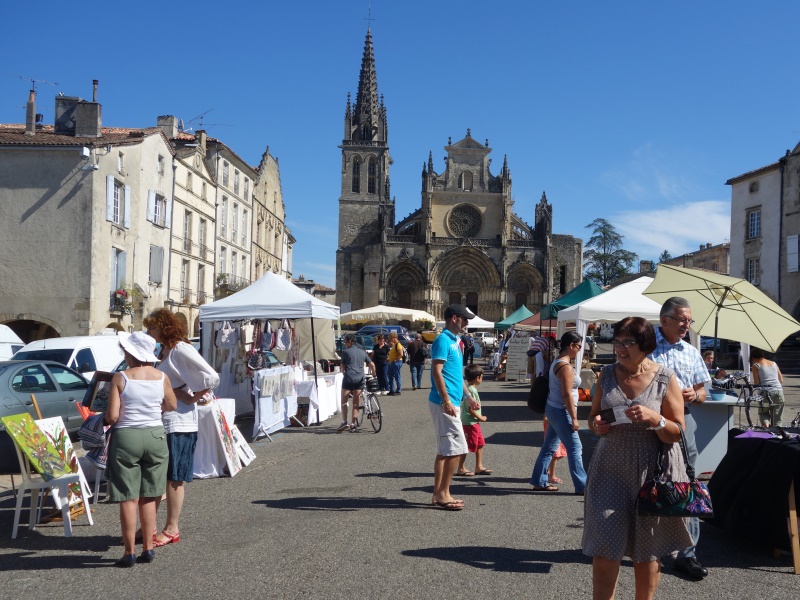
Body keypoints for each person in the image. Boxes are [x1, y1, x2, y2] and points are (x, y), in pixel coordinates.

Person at [584, 317, 691, 600]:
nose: (620, 348)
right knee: (605, 549)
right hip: (609, 470)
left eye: (627, 343)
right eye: (617, 342)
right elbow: (593, 417)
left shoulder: (665, 377)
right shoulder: (606, 374)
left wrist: (656, 419)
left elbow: (678, 431)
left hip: (651, 474)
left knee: (647, 553)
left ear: (644, 344)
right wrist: (597, 425)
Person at [144, 309, 220, 548]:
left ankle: (172, 527)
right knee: (161, 475)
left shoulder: (180, 349)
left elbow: (211, 376)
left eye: (152, 327)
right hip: (166, 421)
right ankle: (149, 527)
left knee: (175, 477)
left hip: (180, 422)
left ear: (164, 327)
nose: (148, 332)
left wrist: (191, 397)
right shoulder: (165, 350)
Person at [648, 297, 711, 580]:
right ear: (665, 320)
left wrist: (695, 395)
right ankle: (649, 548)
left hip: (684, 420)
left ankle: (688, 554)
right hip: (649, 422)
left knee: (688, 483)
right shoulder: (644, 345)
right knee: (648, 481)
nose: (687, 325)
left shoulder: (691, 351)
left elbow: (702, 392)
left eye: (689, 321)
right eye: (683, 320)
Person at [106, 332, 177, 567]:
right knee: (149, 495)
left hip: (127, 436)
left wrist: (103, 418)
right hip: (155, 435)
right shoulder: (161, 376)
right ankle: (148, 548)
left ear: (131, 354)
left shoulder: (121, 377)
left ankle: (129, 552)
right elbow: (172, 404)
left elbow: (113, 416)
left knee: (128, 496)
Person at [428, 304, 480, 510]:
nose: (467, 323)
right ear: (455, 318)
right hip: (444, 402)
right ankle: (443, 494)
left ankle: (438, 493)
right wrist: (447, 400)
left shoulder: (456, 341)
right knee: (456, 449)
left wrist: (467, 396)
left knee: (444, 450)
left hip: (450, 401)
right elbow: (437, 372)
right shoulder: (442, 340)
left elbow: (457, 374)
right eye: (465, 319)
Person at [529, 331, 587, 494]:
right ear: (571, 346)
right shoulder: (565, 367)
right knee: (575, 448)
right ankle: (582, 485)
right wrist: (574, 418)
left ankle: (539, 480)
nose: (579, 350)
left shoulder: (557, 362)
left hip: (553, 408)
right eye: (578, 346)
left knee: (549, 447)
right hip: (562, 411)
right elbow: (567, 394)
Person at [456, 364, 492, 476]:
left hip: (474, 422)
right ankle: (461, 467)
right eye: (482, 376)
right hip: (470, 423)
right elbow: (471, 409)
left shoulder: (470, 389)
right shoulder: (472, 391)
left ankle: (479, 466)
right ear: (478, 377)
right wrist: (481, 417)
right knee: (466, 445)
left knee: (480, 443)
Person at [338, 334, 376, 432]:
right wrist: (374, 374)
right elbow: (372, 364)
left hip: (349, 378)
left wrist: (343, 374)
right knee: (355, 403)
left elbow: (342, 367)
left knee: (344, 401)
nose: (344, 343)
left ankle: (344, 422)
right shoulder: (362, 352)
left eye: (345, 342)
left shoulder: (345, 352)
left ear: (350, 341)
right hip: (360, 379)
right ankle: (353, 424)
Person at [750, 347, 784, 427]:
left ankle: (766, 425)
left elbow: (757, 383)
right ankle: (778, 434)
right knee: (778, 417)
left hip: (765, 392)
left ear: (753, 358)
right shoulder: (774, 363)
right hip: (778, 391)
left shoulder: (756, 365)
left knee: (763, 413)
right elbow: (781, 380)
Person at [386, 331, 405, 396]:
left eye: (391, 338)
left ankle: (398, 390)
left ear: (394, 337)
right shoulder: (395, 345)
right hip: (393, 362)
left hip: (396, 362)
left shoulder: (398, 344)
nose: (390, 339)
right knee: (390, 376)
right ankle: (392, 390)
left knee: (397, 376)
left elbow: (401, 354)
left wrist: (395, 360)